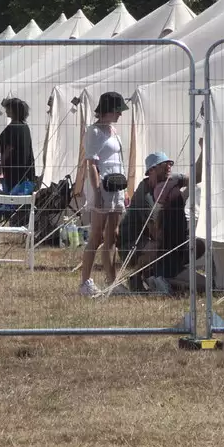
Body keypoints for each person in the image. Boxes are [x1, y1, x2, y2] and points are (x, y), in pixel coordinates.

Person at [79, 91, 129, 296]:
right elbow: (91, 163)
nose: (120, 114)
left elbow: (118, 160)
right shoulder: (94, 132)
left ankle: (112, 281)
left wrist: (124, 190)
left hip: (117, 187)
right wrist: (97, 191)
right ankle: (85, 283)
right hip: (102, 187)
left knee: (112, 235)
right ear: (108, 110)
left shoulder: (112, 130)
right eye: (117, 110)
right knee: (97, 235)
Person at [123, 151, 188, 293]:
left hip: (151, 238)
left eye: (170, 164)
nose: (169, 167)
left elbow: (196, 177)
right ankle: (137, 277)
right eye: (164, 165)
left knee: (196, 246)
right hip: (130, 244)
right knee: (157, 246)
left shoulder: (167, 183)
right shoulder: (144, 194)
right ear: (152, 170)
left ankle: (164, 274)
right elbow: (154, 231)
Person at [0, 98, 37, 194]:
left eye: (8, 108)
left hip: (14, 171)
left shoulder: (13, 128)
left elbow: (9, 149)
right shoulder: (24, 126)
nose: (6, 110)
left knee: (13, 199)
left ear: (12, 110)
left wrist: (0, 165)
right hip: (25, 170)